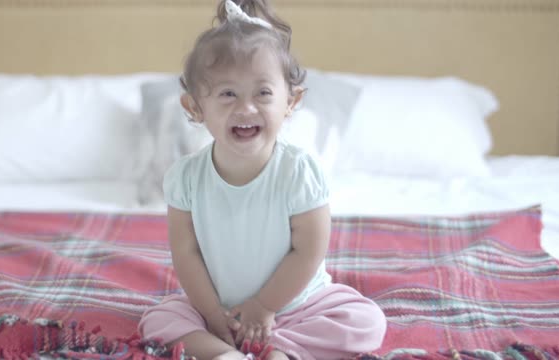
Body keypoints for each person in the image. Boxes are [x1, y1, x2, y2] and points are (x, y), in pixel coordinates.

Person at [138, 1, 387, 359]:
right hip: (220, 307)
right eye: (227, 94)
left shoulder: (298, 173)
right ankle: (225, 352)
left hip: (297, 304)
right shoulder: (185, 178)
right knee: (158, 320)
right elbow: (187, 254)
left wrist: (264, 305)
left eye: (263, 93)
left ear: (291, 101)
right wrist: (211, 314)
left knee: (365, 321)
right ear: (194, 107)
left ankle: (280, 347)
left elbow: (308, 250)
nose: (246, 108)